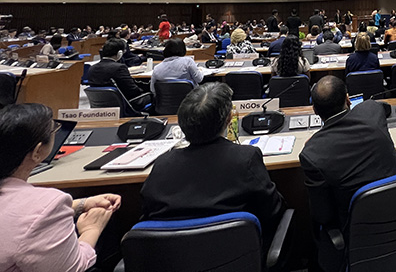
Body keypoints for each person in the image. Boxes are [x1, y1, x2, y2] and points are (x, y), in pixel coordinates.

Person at [141, 83, 286, 248]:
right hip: (238, 255)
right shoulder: (245, 158)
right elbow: (273, 211)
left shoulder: (162, 165)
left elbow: (147, 217)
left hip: (172, 259)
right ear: (228, 120)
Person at [0, 103, 122, 272]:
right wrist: (91, 229)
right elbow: (73, 267)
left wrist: (80, 204)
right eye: (53, 131)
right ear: (37, 152)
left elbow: (15, 214)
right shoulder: (46, 203)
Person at [300, 76, 396, 272]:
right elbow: (385, 108)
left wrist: (317, 139)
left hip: (358, 233)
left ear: (314, 111)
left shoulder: (312, 153)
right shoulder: (371, 110)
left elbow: (322, 215)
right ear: (348, 100)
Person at [88, 39, 151, 106]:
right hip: (125, 104)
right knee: (156, 95)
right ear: (120, 53)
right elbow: (133, 91)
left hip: (101, 107)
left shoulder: (91, 68)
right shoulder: (119, 68)